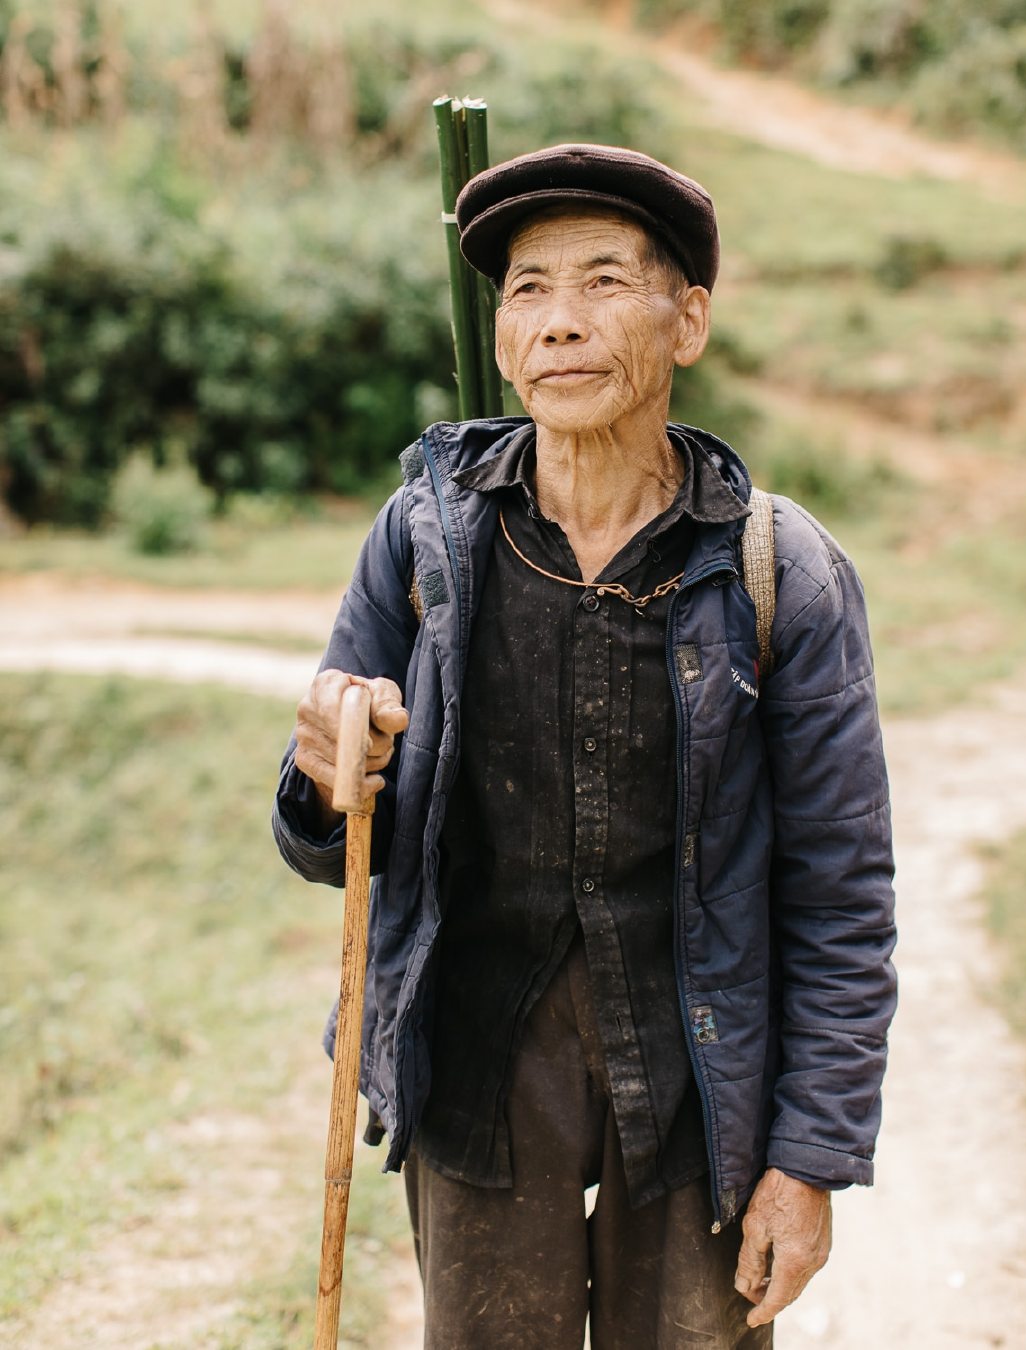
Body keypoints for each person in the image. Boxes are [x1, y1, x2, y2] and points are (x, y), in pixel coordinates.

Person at [273, 143, 897, 1349]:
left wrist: (810, 1159)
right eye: (528, 289)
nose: (560, 324)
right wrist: (327, 774)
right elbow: (331, 838)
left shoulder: (779, 572)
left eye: (607, 284)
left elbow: (842, 891)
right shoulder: (426, 544)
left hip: (697, 1085)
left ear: (689, 321)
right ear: (502, 332)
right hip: (479, 1068)